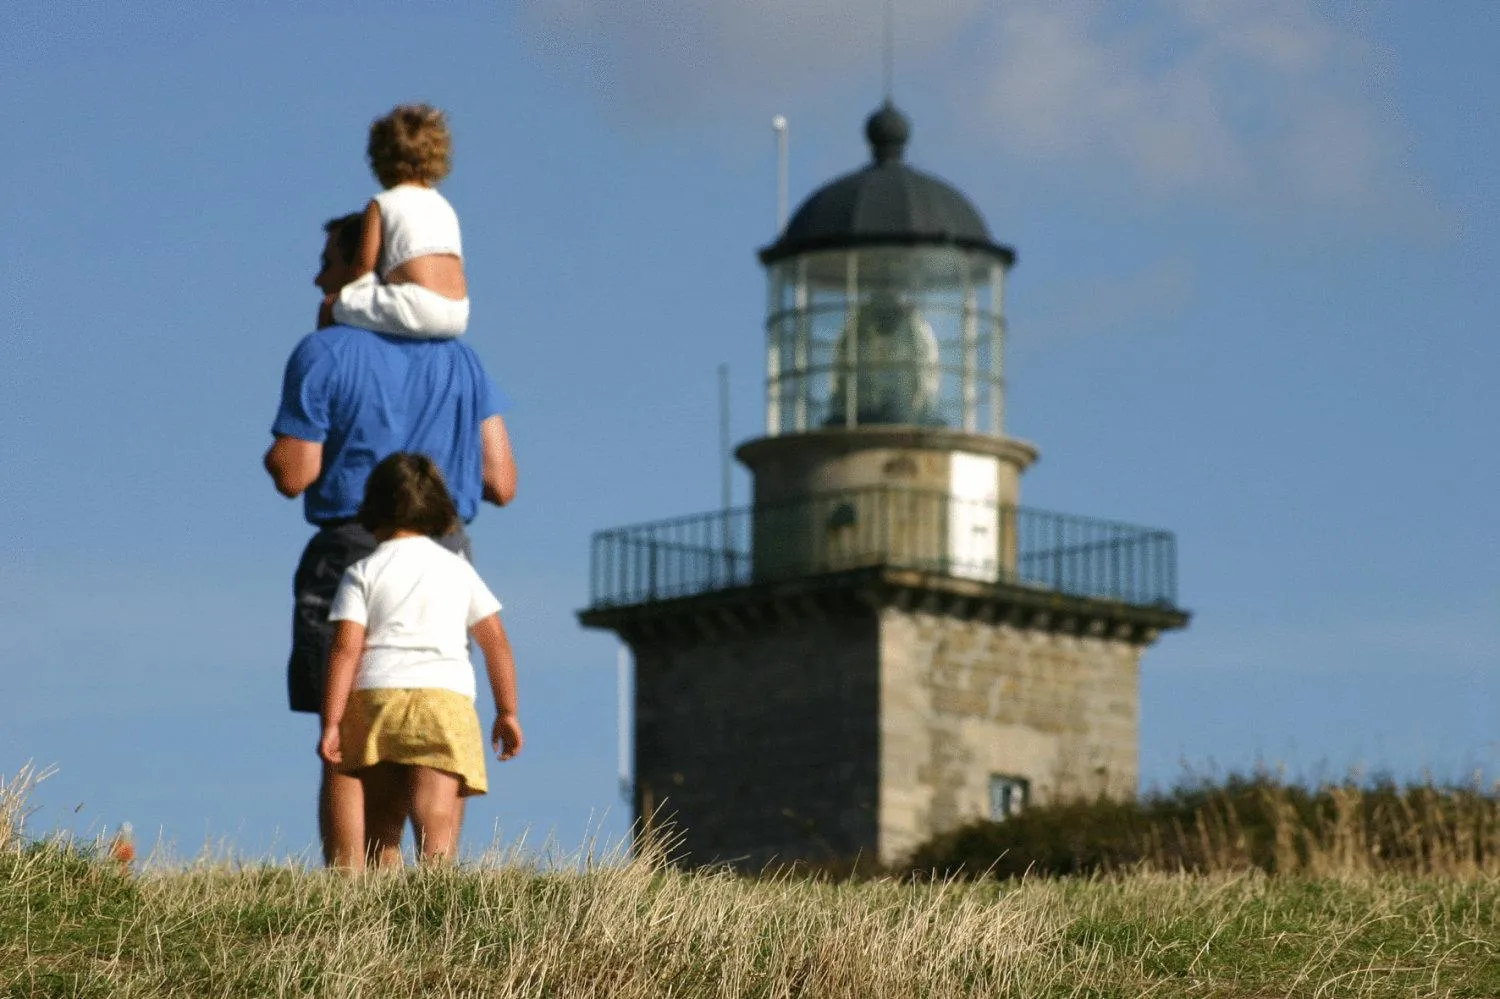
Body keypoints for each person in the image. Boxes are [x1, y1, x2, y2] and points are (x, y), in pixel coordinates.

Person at [265, 210, 516, 866]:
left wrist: (276, 453)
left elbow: (296, 473)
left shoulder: (323, 352)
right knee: (431, 710)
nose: (318, 274)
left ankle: (355, 886)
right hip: (449, 548)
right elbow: (502, 477)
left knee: (353, 726)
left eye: (329, 259)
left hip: (354, 541)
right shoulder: (462, 360)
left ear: (364, 267)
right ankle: (432, 876)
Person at [318, 453, 522, 868]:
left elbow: (345, 649)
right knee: (437, 818)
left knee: (381, 823)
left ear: (371, 507)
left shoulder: (363, 571)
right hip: (443, 700)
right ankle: (434, 907)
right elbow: (495, 643)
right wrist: (507, 711)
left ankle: (380, 916)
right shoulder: (457, 569)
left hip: (377, 699)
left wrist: (332, 722)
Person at [330, 103, 470, 339]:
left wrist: (343, 296)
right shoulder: (445, 207)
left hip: (419, 307)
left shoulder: (382, 203)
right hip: (458, 312)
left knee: (335, 306)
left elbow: (363, 268)